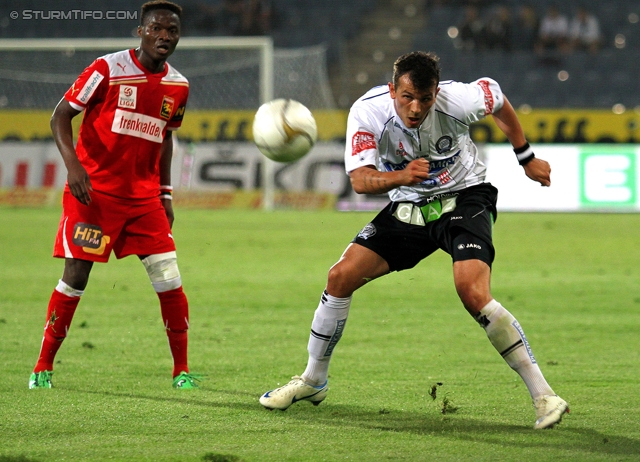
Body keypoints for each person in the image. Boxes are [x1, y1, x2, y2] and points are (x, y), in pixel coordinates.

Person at [259, 51, 569, 429]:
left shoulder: (462, 99)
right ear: (393, 90)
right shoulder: (368, 112)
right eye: (407, 97)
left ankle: (544, 396)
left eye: (425, 98)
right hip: (409, 204)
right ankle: (313, 380)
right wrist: (402, 177)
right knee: (339, 278)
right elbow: (360, 180)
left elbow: (498, 99)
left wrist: (526, 156)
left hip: (465, 195)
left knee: (471, 290)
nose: (416, 107)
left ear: (437, 92)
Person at [28, 1, 198, 390]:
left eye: (172, 30)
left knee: (169, 278)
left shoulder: (178, 85)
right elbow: (60, 115)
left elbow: (165, 138)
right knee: (76, 277)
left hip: (143, 201)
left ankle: (182, 371)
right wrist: (74, 168)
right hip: (94, 196)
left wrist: (166, 195)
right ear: (141, 31)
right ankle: (42, 367)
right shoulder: (108, 69)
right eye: (157, 28)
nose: (165, 36)